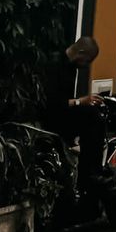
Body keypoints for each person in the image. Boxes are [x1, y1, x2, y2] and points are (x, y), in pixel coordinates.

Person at [43, 35, 106, 187]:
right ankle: (89, 173)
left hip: (63, 113)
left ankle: (92, 169)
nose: (87, 65)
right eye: (88, 60)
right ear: (81, 53)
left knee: (95, 115)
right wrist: (80, 101)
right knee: (92, 117)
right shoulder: (54, 65)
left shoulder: (72, 67)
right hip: (51, 117)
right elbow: (52, 103)